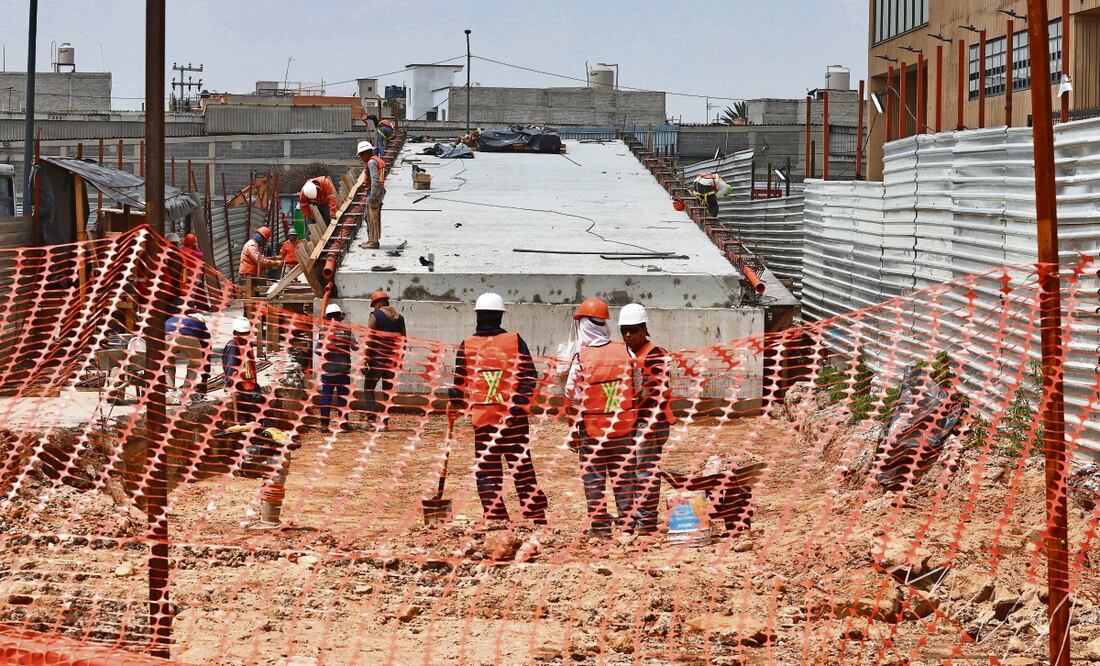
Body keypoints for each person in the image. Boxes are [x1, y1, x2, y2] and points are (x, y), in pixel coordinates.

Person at [449, 293, 548, 525]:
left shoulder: (468, 344)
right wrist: (518, 406)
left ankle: (495, 516)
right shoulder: (515, 340)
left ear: (478, 316)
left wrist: (454, 397)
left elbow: (459, 384)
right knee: (522, 467)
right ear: (500, 316)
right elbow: (529, 376)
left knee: (487, 470)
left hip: (484, 419)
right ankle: (535, 513)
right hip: (514, 419)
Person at [566, 297, 637, 537]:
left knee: (594, 480)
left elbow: (571, 394)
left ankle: (600, 527)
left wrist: (573, 428)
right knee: (624, 477)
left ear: (583, 326)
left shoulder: (581, 358)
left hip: (592, 429)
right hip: (623, 428)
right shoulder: (625, 350)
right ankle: (628, 525)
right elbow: (636, 384)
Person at [618, 303, 675, 536]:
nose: (628, 335)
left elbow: (652, 393)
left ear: (644, 329)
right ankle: (637, 518)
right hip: (634, 421)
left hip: (650, 422)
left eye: (633, 330)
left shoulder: (655, 355)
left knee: (645, 472)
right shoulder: (629, 355)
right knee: (632, 472)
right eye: (624, 331)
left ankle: (647, 521)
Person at [364, 290, 405, 424]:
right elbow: (403, 341)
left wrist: (366, 358)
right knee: (387, 390)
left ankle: (371, 419)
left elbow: (370, 339)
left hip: (377, 358)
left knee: (368, 387)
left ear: (377, 304)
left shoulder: (375, 315)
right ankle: (385, 421)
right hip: (393, 360)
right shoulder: (400, 318)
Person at [318, 303, 357, 430]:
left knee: (326, 397)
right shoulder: (347, 329)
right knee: (343, 397)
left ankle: (324, 425)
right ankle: (343, 424)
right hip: (343, 371)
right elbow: (355, 346)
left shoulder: (323, 330)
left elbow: (317, 350)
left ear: (328, 317)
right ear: (340, 316)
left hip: (328, 371)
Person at [165, 311, 211, 405]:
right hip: (187, 335)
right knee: (195, 364)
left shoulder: (176, 317)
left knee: (168, 364)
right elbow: (207, 353)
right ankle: (184, 393)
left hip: (165, 335)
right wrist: (204, 378)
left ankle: (170, 392)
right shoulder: (201, 325)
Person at [223, 317, 262, 423]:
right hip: (241, 388)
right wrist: (231, 386)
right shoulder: (233, 346)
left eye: (246, 333)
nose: (245, 336)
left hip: (251, 386)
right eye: (242, 333)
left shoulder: (246, 344)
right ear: (235, 333)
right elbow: (230, 369)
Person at [356, 140, 387, 249]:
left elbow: (375, 180)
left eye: (361, 155)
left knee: (371, 217)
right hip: (379, 191)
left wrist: (373, 196)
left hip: (375, 192)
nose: (361, 158)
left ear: (366, 153)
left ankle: (373, 242)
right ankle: (372, 240)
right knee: (371, 216)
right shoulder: (377, 160)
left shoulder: (371, 162)